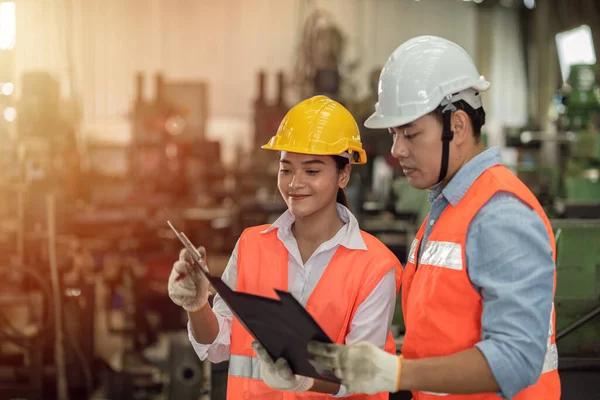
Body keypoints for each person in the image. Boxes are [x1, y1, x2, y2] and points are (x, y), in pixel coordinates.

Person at [307, 35, 561, 400]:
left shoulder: (500, 215)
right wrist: (321, 374)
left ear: (456, 126)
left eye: (410, 134)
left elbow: (516, 359)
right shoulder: (445, 210)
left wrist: (396, 372)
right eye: (394, 134)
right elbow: (436, 340)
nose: (397, 150)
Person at [168, 95, 403, 399]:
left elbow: (363, 375)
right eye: (286, 169)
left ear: (343, 175)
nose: (294, 183)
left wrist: (304, 379)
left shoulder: (373, 267)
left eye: (312, 171)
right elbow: (217, 347)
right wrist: (197, 305)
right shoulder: (252, 245)